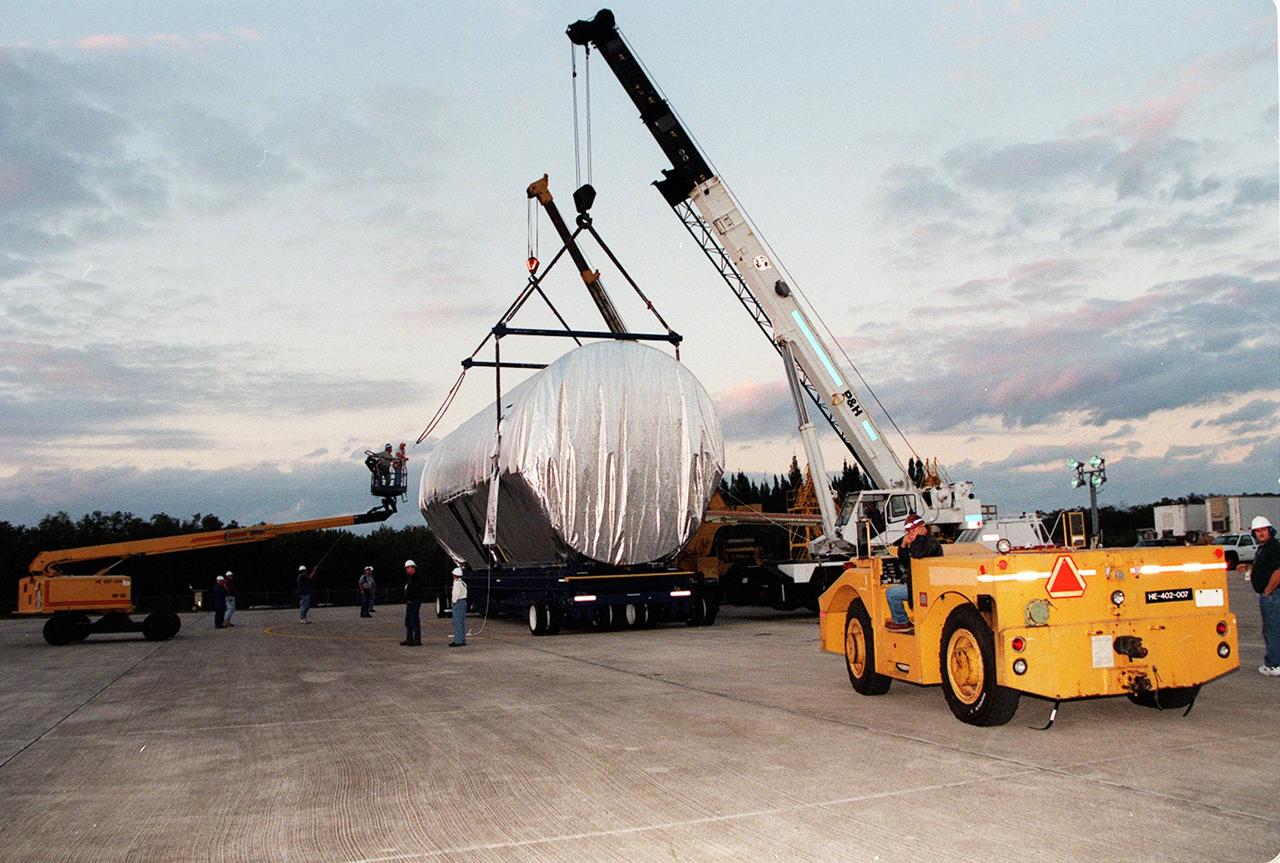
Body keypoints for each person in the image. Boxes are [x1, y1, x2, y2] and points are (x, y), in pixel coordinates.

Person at [884, 514, 942, 633]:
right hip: (916, 584)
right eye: (909, 531)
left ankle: (902, 622)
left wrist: (916, 539)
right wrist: (903, 545)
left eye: (913, 530)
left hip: (927, 585)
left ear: (922, 527)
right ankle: (901, 621)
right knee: (892, 592)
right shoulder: (920, 542)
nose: (911, 533)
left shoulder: (931, 542)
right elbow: (905, 562)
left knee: (892, 593)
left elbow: (917, 553)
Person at [1243, 515, 1280, 676]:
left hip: (1273, 596)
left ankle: (1273, 664)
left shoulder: (1274, 547)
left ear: (1270, 530)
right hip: (1271, 595)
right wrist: (1248, 567)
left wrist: (1267, 591)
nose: (1261, 533)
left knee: (1272, 629)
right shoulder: (1264, 548)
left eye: (1263, 530)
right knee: (1272, 628)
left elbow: (1278, 572)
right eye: (1257, 531)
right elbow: (1264, 568)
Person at [401, 559, 424, 646]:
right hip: (410, 602)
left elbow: (415, 590)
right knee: (408, 621)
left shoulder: (416, 578)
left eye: (408, 568)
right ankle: (409, 638)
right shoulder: (411, 578)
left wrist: (410, 597)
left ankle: (417, 639)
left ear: (412, 568)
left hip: (414, 601)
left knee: (414, 620)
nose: (406, 569)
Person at [449, 568, 468, 647]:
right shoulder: (463, 583)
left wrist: (453, 602)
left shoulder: (456, 583)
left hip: (458, 602)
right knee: (462, 622)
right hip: (463, 601)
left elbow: (456, 594)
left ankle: (457, 641)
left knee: (457, 622)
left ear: (454, 575)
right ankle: (462, 639)